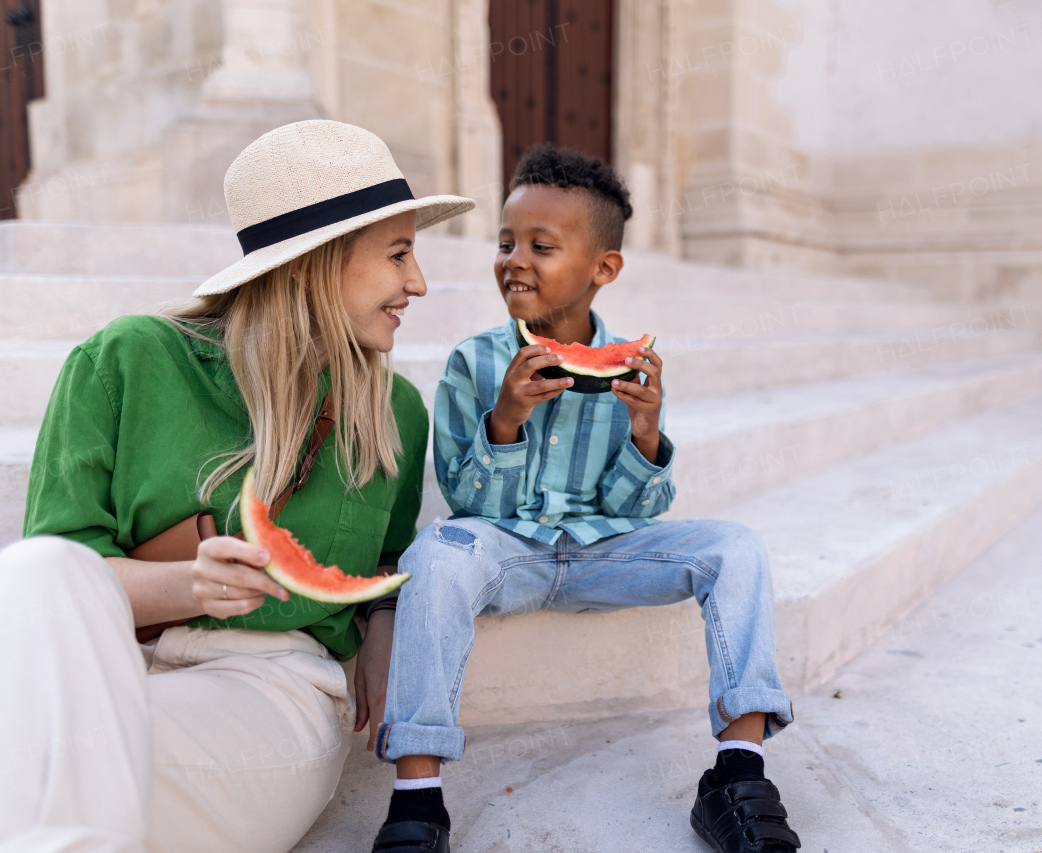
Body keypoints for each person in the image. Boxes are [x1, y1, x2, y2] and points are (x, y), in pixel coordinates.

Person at [0, 119, 474, 853]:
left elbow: (384, 564)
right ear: (315, 262)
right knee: (31, 569)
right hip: (101, 668)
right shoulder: (123, 360)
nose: (417, 282)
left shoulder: (395, 413)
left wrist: (383, 620)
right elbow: (63, 595)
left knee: (46, 766)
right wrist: (192, 585)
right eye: (399, 253)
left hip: (268, 692)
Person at [370, 145, 801, 853]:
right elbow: (467, 500)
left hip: (604, 552)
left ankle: (738, 771)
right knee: (435, 553)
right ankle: (417, 796)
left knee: (736, 547)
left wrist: (645, 434)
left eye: (542, 246)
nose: (516, 259)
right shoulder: (473, 362)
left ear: (604, 269)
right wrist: (504, 418)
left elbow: (638, 511)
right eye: (506, 242)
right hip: (507, 551)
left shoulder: (630, 367)